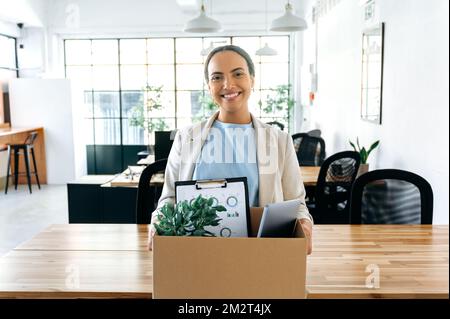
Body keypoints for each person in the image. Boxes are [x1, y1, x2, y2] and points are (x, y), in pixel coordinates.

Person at [148, 45, 313, 253]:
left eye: (238, 74)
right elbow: (169, 199)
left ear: (252, 79)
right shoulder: (186, 138)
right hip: (195, 254)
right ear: (209, 86)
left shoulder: (279, 141)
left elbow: (296, 203)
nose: (228, 84)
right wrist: (158, 221)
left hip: (260, 255)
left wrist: (304, 223)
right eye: (217, 77)